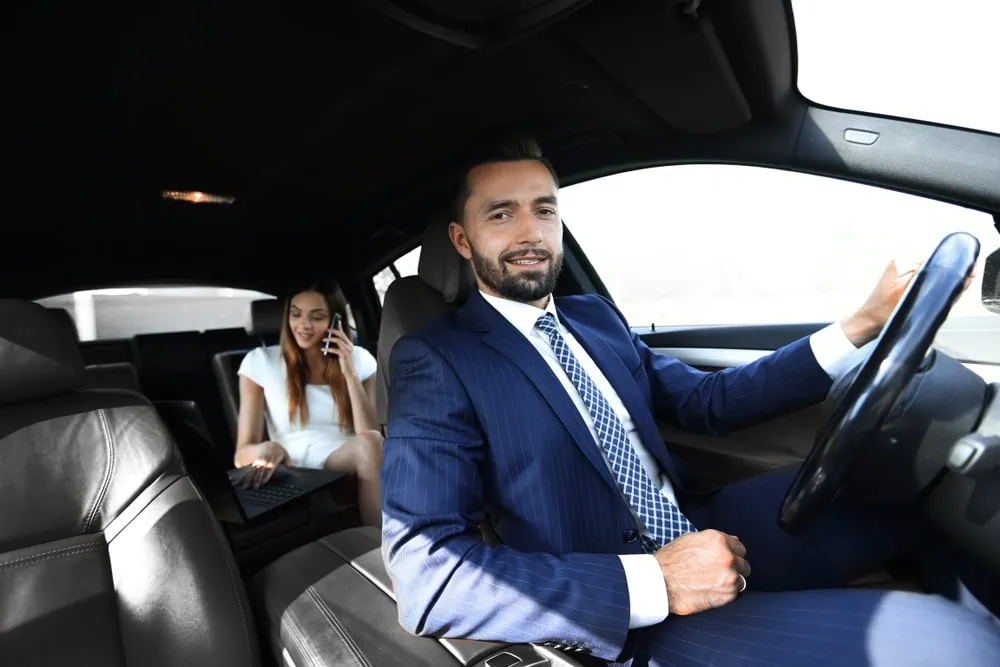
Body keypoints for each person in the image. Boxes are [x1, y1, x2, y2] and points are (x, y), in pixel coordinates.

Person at [380, 136, 1000, 665]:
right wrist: (658, 580)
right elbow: (428, 576)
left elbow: (709, 401)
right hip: (632, 608)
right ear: (463, 240)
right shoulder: (436, 360)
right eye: (501, 215)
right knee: (952, 648)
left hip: (705, 522)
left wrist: (862, 323)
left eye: (544, 210)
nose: (530, 233)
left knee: (924, 490)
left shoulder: (593, 317)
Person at [234, 280, 384, 527]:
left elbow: (370, 433)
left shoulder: (360, 360)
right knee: (372, 445)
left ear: (335, 321)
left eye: (317, 317)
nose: (303, 325)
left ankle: (383, 536)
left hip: (352, 454)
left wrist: (349, 372)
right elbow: (241, 454)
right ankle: (380, 538)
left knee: (373, 442)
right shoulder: (261, 361)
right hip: (299, 461)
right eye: (296, 314)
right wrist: (267, 448)